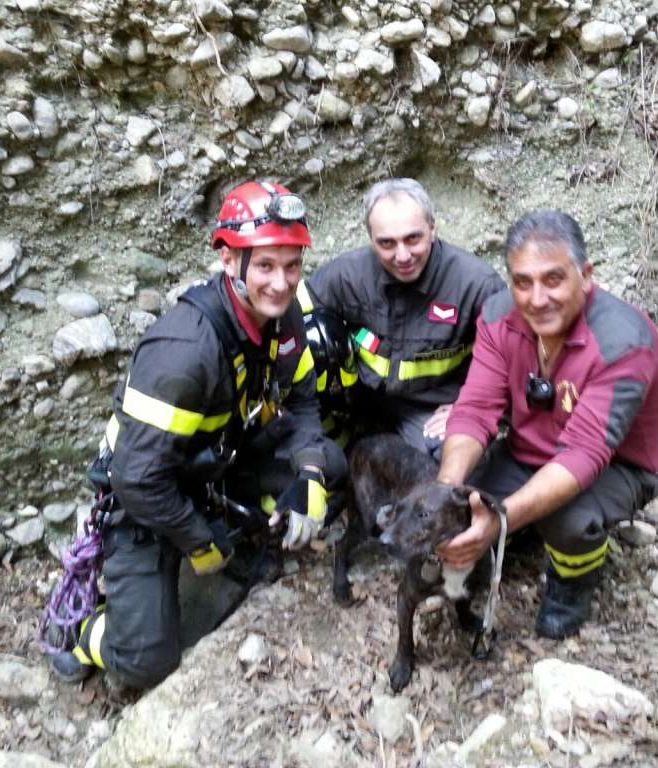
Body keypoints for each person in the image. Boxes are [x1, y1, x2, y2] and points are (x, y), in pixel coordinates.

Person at [48, 181, 346, 687]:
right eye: (267, 266)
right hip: (145, 498)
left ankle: (248, 542)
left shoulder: (283, 315)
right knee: (145, 664)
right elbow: (137, 480)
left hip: (215, 468)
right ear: (230, 262)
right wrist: (196, 539)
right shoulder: (185, 351)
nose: (282, 282)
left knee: (330, 464)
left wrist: (310, 478)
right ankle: (86, 631)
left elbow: (301, 404)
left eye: (292, 266)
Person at [436, 210, 658, 639]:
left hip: (616, 468)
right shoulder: (497, 317)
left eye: (553, 279)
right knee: (457, 488)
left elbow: (584, 455)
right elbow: (475, 408)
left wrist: (501, 517)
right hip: (526, 452)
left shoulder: (623, 342)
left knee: (569, 519)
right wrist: (446, 490)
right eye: (522, 282)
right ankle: (516, 528)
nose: (537, 299)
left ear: (586, 276)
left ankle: (570, 584)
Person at [297, 178, 506, 458]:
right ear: (370, 238)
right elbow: (283, 317)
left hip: (428, 410)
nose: (403, 255)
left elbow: (515, 359)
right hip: (355, 400)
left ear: (432, 228)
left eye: (413, 238)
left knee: (453, 460)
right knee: (312, 332)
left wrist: (469, 406)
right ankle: (333, 446)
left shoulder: (476, 284)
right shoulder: (346, 275)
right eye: (387, 243)